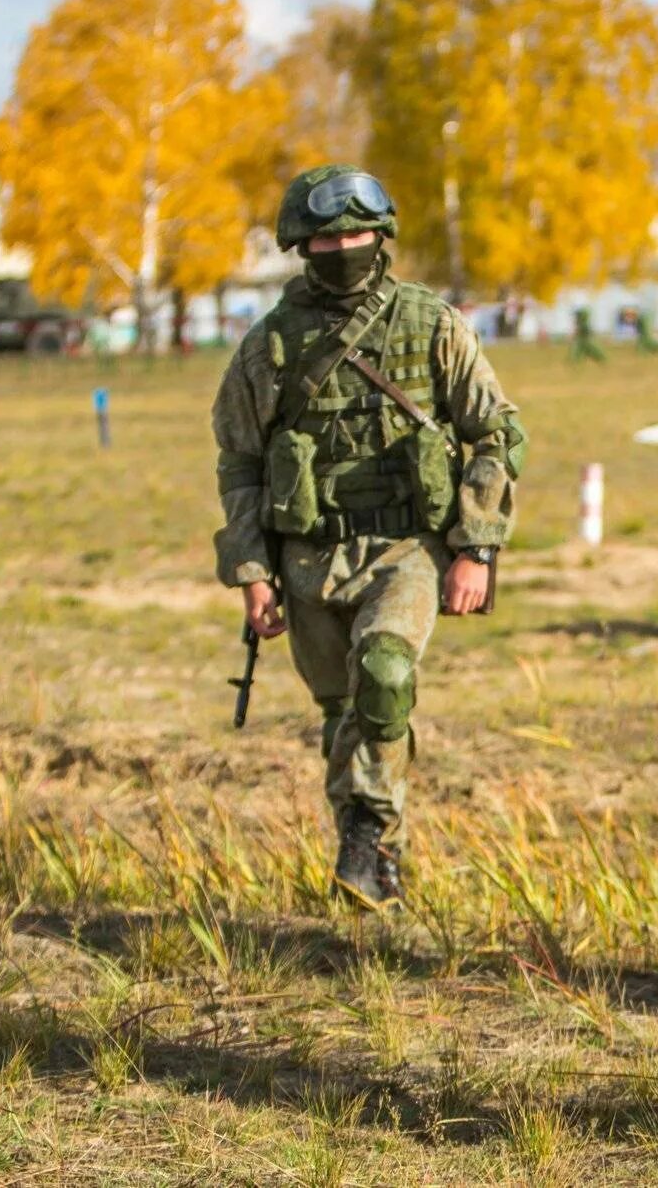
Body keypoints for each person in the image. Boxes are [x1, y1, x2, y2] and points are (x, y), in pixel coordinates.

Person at [211, 165, 527, 906]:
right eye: (326, 235)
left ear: (380, 237)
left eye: (355, 231)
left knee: (384, 677)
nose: (343, 244)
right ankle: (380, 854)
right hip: (308, 557)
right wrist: (253, 572)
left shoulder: (431, 323)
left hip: (406, 550)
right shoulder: (271, 346)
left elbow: (496, 431)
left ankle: (363, 836)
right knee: (345, 717)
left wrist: (476, 545)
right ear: (302, 245)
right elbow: (241, 462)